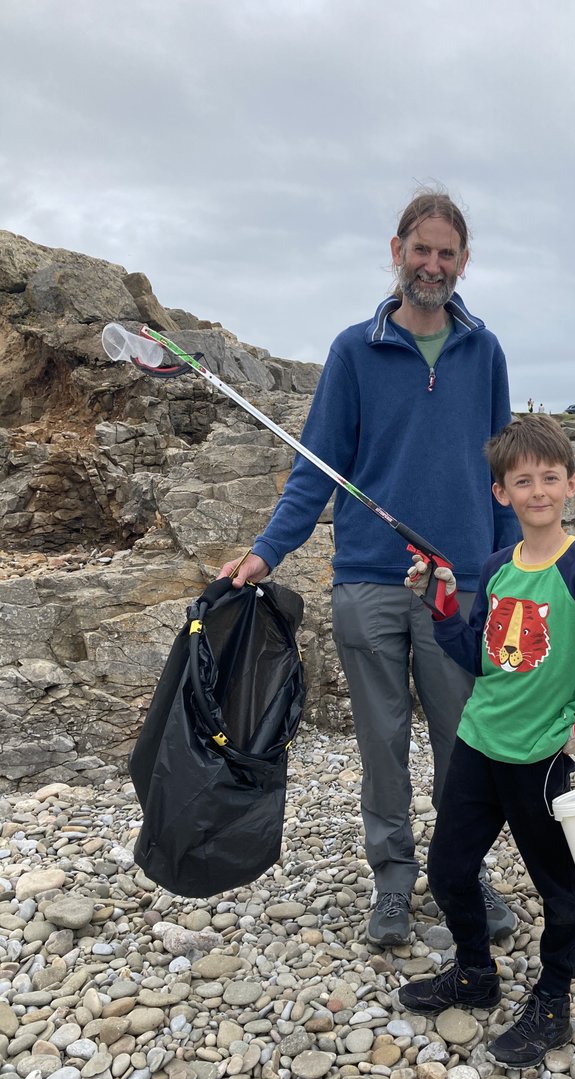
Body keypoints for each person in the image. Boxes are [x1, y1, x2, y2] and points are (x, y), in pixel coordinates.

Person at [219, 189, 520, 947]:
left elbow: (505, 473)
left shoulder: (484, 351)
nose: (433, 264)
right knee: (381, 746)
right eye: (421, 249)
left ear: (463, 262)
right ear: (397, 252)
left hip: (459, 588)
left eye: (447, 253)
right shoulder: (355, 349)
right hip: (367, 581)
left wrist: (517, 570)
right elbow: (313, 471)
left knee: (467, 742)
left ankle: (466, 875)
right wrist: (265, 551)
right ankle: (391, 883)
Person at [397, 416, 575, 1067]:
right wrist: (441, 606)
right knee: (448, 870)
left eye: (549, 478)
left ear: (571, 484)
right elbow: (478, 656)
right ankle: (473, 974)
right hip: (478, 743)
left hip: (541, 760)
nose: (537, 490)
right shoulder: (496, 568)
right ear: (503, 493)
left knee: (558, 888)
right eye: (523, 481)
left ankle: (553, 1002)